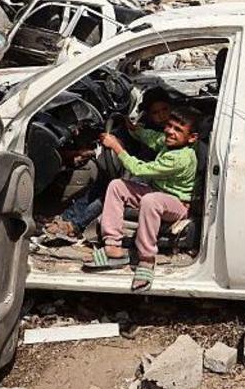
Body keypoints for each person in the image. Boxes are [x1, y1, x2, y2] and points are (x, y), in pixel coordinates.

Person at [87, 106, 201, 292]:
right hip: (157, 193)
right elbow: (151, 137)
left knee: (151, 200)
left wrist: (117, 147)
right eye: (169, 126)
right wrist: (135, 129)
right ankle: (113, 246)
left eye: (178, 130)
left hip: (177, 204)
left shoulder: (181, 158)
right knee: (117, 186)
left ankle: (147, 259)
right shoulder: (169, 142)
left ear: (192, 138)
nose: (170, 132)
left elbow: (139, 169)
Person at [44, 93, 174, 238]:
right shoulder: (156, 132)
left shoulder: (172, 140)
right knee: (102, 183)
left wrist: (118, 148)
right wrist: (131, 130)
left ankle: (75, 225)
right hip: (145, 173)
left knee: (112, 191)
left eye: (165, 110)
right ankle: (67, 217)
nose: (162, 116)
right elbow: (146, 136)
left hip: (156, 182)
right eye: (156, 113)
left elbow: (141, 168)